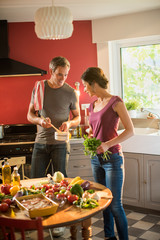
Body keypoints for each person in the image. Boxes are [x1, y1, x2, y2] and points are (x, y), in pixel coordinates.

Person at [81, 67, 134, 240]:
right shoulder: (93, 104)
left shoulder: (116, 102)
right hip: (96, 160)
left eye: (85, 86)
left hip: (113, 159)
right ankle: (109, 237)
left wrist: (107, 145)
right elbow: (94, 128)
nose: (85, 89)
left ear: (93, 83)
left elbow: (130, 130)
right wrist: (89, 134)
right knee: (104, 203)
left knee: (115, 206)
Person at [27, 56, 81, 179]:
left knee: (60, 182)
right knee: (35, 181)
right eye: (59, 74)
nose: (63, 78)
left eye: (66, 75)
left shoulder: (71, 92)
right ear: (51, 71)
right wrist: (40, 121)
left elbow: (78, 117)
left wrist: (69, 124)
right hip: (40, 142)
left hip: (60, 144)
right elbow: (29, 115)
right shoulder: (39, 88)